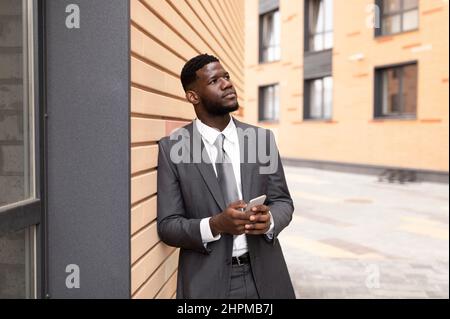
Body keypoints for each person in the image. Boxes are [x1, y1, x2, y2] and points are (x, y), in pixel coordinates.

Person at [157, 54, 295, 299]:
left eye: (227, 77)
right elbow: (168, 226)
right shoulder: (173, 148)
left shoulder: (261, 140)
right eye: (214, 81)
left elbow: (283, 202)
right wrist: (214, 225)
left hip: (265, 276)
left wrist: (270, 220)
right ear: (193, 96)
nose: (227, 84)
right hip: (205, 283)